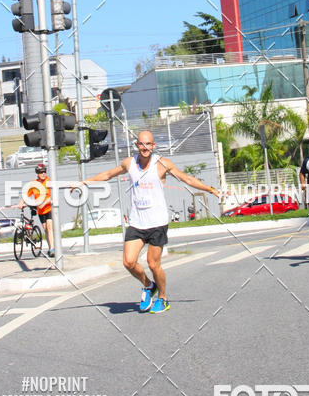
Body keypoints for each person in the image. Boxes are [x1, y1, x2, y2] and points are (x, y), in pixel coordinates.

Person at [82, 130, 220, 313]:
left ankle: (163, 298)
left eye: (148, 144)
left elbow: (186, 178)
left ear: (153, 146)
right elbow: (108, 174)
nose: (145, 147)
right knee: (128, 262)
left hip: (157, 222)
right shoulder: (129, 163)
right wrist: (84, 182)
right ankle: (148, 285)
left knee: (153, 264)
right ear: (136, 145)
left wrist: (211, 190)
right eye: (141, 144)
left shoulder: (162, 164)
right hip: (137, 222)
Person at [19, 163, 54, 257]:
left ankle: (52, 248)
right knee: (45, 229)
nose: (43, 174)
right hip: (40, 211)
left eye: (44, 172)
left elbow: (52, 196)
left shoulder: (49, 181)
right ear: (37, 174)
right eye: (41, 172)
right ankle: (50, 247)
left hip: (49, 208)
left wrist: (45, 202)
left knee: (50, 227)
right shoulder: (34, 184)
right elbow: (26, 194)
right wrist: (21, 202)